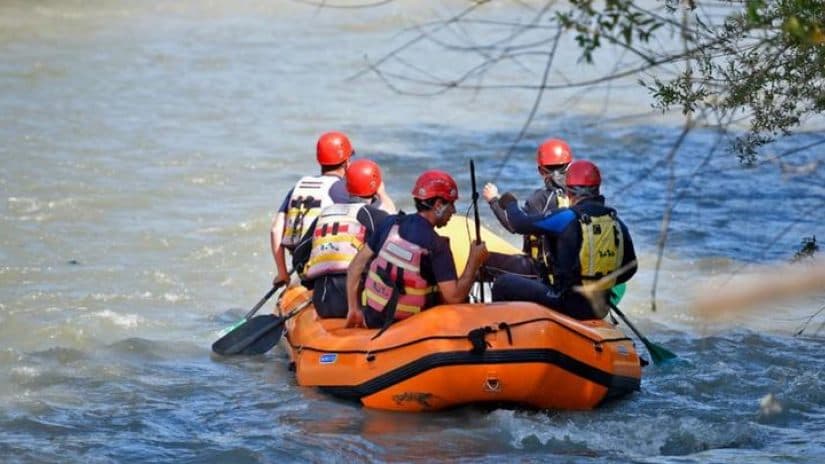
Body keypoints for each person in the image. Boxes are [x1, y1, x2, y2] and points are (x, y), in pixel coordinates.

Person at [491, 160, 637, 320]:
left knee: (502, 284)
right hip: (600, 307)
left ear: (569, 192)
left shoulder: (567, 217)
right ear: (597, 188)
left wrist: (510, 203)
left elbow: (518, 224)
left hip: (568, 304)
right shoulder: (616, 222)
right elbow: (630, 268)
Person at [345, 170, 489, 329]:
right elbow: (454, 297)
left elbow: (355, 267)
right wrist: (473, 262)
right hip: (412, 329)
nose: (453, 211)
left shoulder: (389, 223)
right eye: (451, 204)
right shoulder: (436, 245)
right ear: (438, 205)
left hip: (374, 321)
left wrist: (354, 308)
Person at [291, 159, 391, 318]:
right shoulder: (374, 216)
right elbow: (398, 244)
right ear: (376, 187)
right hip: (357, 302)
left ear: (347, 186)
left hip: (322, 301)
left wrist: (310, 284)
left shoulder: (325, 214)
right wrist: (384, 196)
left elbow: (299, 256)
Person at [270, 131, 355, 285]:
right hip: (324, 265)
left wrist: (282, 273)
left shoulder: (300, 185)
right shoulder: (343, 189)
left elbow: (276, 229)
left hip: (300, 265)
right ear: (347, 161)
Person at [481, 138, 573, 279]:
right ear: (570, 166)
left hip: (542, 274)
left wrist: (493, 200)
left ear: (540, 171)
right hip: (571, 276)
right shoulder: (577, 197)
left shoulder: (540, 199)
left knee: (483, 260)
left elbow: (513, 225)